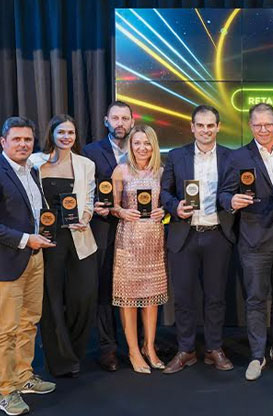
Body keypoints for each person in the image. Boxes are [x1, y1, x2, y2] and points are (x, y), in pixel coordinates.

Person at [218, 103, 273, 380]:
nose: (263, 130)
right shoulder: (238, 157)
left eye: (268, 124)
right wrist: (231, 200)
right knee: (255, 299)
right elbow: (223, 194)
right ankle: (257, 355)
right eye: (257, 125)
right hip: (253, 239)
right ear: (250, 126)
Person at [160, 105, 235, 374]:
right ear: (192, 127)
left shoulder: (231, 157)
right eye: (200, 125)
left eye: (210, 125)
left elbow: (232, 191)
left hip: (217, 235)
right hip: (185, 234)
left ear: (218, 127)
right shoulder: (176, 155)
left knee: (216, 297)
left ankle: (214, 348)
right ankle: (186, 349)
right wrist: (174, 207)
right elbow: (164, 192)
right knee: (183, 297)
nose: (205, 130)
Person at [30, 115, 98, 378]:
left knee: (84, 296)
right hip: (48, 239)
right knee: (51, 300)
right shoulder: (35, 162)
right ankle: (61, 360)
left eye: (71, 132)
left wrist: (86, 217)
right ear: (52, 134)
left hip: (79, 236)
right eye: (61, 132)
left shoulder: (86, 164)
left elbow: (89, 200)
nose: (66, 137)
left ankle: (74, 350)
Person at [0, 117, 56, 416]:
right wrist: (25, 239)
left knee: (28, 322)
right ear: (3, 142)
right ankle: (5, 390)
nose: (23, 144)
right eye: (17, 139)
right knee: (5, 330)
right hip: (8, 263)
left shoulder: (31, 170)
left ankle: (23, 377)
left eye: (28, 140)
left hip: (35, 258)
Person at [109, 125, 168, 374]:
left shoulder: (161, 171)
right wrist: (122, 211)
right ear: (130, 146)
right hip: (129, 241)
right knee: (128, 298)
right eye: (137, 143)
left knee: (151, 298)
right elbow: (112, 206)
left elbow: (167, 205)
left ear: (153, 146)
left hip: (154, 240)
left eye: (147, 143)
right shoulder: (120, 170)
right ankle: (133, 350)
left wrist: (163, 212)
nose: (142, 148)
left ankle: (149, 347)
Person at [82, 100, 135, 372]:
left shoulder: (141, 148)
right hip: (104, 227)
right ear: (106, 121)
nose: (120, 123)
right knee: (104, 287)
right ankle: (108, 348)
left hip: (136, 230)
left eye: (125, 118)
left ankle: (137, 344)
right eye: (115, 118)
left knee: (135, 286)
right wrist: (94, 205)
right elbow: (83, 188)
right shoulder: (91, 151)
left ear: (132, 122)